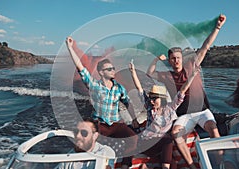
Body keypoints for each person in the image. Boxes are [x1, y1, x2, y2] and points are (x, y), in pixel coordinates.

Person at [146, 14, 226, 168]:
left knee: (214, 131)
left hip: (202, 111)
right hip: (184, 114)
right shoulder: (166, 75)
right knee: (176, 134)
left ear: (182, 58)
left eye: (178, 58)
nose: (176, 61)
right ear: (169, 61)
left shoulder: (192, 65)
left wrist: (217, 28)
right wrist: (156, 59)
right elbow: (149, 73)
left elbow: (205, 47)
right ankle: (191, 165)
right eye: (173, 59)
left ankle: (219, 165)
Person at [66, 37, 139, 169]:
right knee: (86, 145)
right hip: (100, 125)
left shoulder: (119, 88)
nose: (113, 70)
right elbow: (81, 68)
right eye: (109, 69)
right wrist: (70, 48)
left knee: (133, 138)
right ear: (101, 72)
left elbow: (128, 103)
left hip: (116, 124)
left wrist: (134, 119)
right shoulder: (95, 86)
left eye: (113, 68)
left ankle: (125, 165)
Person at [129, 60, 199, 169]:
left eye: (154, 99)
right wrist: (133, 72)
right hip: (147, 143)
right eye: (151, 98)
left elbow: (183, 90)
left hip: (161, 145)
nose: (152, 101)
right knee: (168, 141)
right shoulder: (149, 107)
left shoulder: (170, 108)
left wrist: (192, 75)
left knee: (173, 164)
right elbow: (139, 88)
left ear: (162, 99)